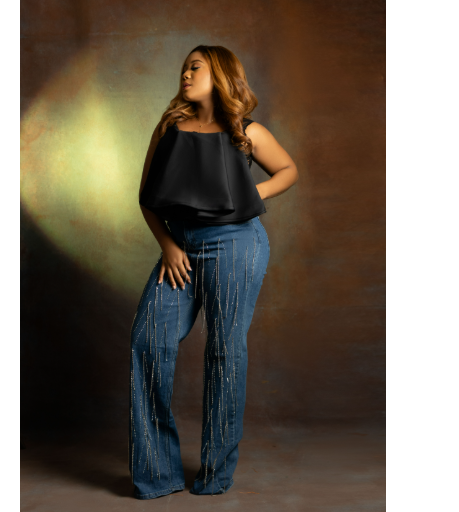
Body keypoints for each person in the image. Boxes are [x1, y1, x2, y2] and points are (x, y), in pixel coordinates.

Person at [129, 45, 298, 500]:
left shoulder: (246, 131)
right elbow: (146, 197)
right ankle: (157, 474)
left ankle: (215, 474)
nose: (185, 73)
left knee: (224, 352)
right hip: (180, 246)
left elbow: (288, 170)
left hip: (235, 243)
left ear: (219, 73)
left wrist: (253, 194)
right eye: (183, 67)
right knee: (148, 340)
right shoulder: (168, 127)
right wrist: (168, 245)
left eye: (195, 67)